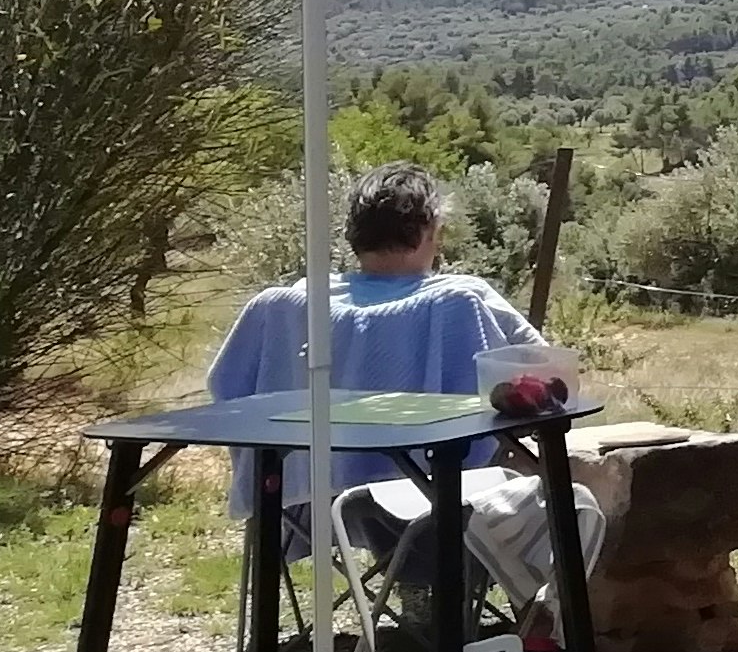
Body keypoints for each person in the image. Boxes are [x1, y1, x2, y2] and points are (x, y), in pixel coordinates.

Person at [205, 162, 540, 518]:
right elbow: (538, 371)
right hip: (431, 497)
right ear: (430, 231)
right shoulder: (458, 298)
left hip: (299, 500)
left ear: (354, 234)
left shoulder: (292, 303)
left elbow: (226, 389)